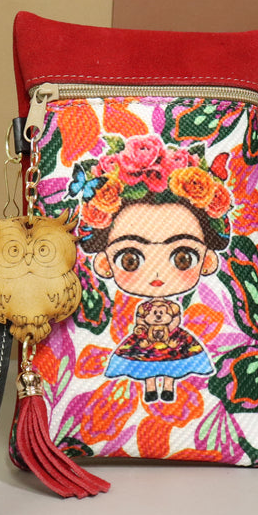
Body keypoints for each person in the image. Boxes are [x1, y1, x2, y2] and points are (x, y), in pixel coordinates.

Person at [71, 134, 232, 402]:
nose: (157, 276)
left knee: (167, 365)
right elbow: (141, 323)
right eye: (130, 259)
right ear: (104, 263)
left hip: (169, 339)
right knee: (147, 365)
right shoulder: (147, 311)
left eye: (183, 258)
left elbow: (174, 319)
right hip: (148, 340)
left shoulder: (169, 310)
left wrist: (167, 325)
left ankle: (166, 388)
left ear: (207, 260)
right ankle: (150, 388)